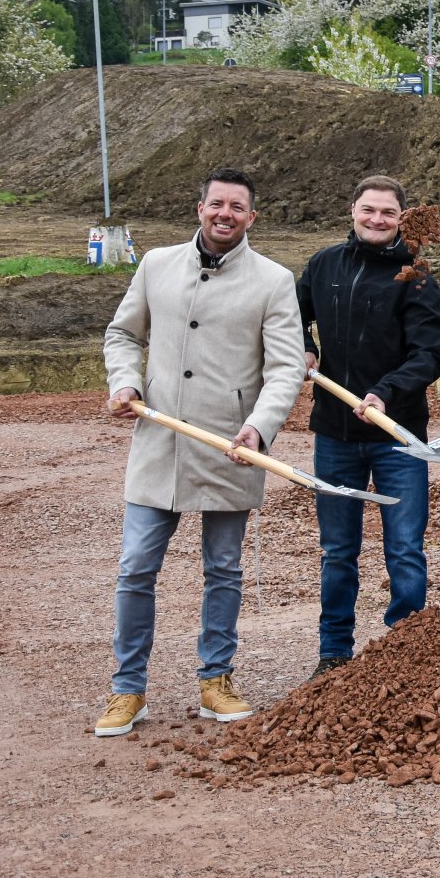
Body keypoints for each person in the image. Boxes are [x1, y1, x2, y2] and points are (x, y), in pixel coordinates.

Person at [96, 168, 303, 737]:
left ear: (251, 217)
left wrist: (259, 428)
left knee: (224, 569)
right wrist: (125, 383)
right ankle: (127, 689)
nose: (225, 214)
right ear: (200, 208)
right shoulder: (156, 265)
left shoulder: (273, 280)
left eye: (238, 207)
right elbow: (122, 335)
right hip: (159, 442)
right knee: (136, 567)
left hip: (230, 446)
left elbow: (286, 369)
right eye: (217, 204)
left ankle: (216, 679)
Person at [297, 175, 440, 678]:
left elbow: (430, 353)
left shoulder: (416, 277)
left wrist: (387, 390)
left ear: (401, 218)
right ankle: (334, 653)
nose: (377, 219)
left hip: (397, 438)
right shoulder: (324, 267)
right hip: (336, 435)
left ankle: (405, 651)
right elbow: (286, 316)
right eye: (369, 210)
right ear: (353, 210)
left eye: (388, 213)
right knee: (338, 550)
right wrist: (303, 346)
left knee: (404, 548)